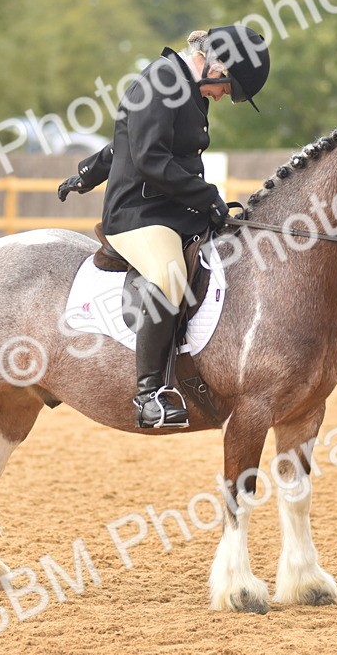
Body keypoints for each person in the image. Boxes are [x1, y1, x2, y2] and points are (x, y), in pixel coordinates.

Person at [57, 25, 270, 429]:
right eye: (229, 87)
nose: (225, 95)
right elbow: (149, 157)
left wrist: (88, 173)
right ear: (216, 63)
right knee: (170, 275)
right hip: (139, 213)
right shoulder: (159, 82)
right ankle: (150, 393)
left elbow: (124, 141)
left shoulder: (189, 87)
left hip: (177, 210)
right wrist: (208, 197)